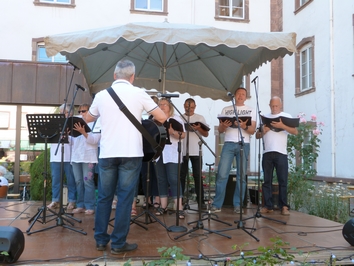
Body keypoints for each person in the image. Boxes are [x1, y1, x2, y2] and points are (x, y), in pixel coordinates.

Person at [85, 59, 166, 254]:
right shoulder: (139, 93)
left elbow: (88, 118)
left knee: (104, 197)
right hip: (131, 153)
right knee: (124, 199)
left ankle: (100, 240)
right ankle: (119, 243)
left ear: (114, 75)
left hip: (107, 153)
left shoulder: (102, 95)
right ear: (132, 77)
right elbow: (162, 118)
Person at [211, 87, 256, 214]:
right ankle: (217, 204)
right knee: (222, 175)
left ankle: (238, 204)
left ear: (246, 97)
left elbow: (252, 130)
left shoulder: (251, 110)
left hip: (244, 143)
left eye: (243, 94)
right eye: (239, 94)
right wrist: (223, 126)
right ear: (235, 95)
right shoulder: (226, 109)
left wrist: (244, 126)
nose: (241, 96)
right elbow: (220, 131)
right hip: (228, 144)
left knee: (241, 176)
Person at [256, 96, 298, 216]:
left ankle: (284, 206)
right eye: (272, 106)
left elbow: (295, 131)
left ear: (280, 105)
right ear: (269, 106)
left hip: (281, 153)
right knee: (267, 180)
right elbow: (257, 136)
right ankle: (268, 205)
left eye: (276, 106)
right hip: (267, 152)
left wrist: (282, 126)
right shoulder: (265, 118)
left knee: (282, 180)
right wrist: (264, 130)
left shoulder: (286, 116)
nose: (274, 108)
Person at [154, 98, 186, 219]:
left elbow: (183, 135)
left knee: (173, 179)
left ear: (170, 107)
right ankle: (163, 206)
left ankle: (179, 208)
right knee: (161, 179)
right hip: (158, 153)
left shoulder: (176, 119)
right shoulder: (155, 120)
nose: (162, 106)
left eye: (164, 104)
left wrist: (172, 132)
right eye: (160, 104)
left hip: (172, 153)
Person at [71, 103, 100, 215]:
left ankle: (90, 206)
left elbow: (95, 141)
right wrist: (68, 135)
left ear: (90, 111)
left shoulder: (95, 124)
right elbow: (71, 143)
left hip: (89, 157)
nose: (81, 113)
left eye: (84, 111)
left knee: (87, 181)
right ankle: (80, 205)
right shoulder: (76, 124)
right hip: (76, 157)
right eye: (80, 111)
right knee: (78, 181)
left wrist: (83, 132)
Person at [180, 98, 209, 210]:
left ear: (195, 107)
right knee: (182, 176)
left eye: (192, 107)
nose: (190, 109)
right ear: (184, 106)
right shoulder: (180, 118)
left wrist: (198, 128)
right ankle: (180, 201)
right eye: (188, 107)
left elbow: (206, 134)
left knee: (198, 176)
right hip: (183, 151)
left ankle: (200, 201)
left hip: (197, 151)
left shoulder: (200, 118)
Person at [47, 103, 77, 210]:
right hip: (55, 157)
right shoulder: (53, 124)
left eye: (64, 112)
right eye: (60, 112)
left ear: (71, 113)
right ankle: (56, 200)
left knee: (71, 180)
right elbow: (48, 138)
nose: (61, 114)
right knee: (56, 180)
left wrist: (68, 135)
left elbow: (76, 142)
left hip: (69, 157)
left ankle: (72, 201)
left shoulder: (74, 124)